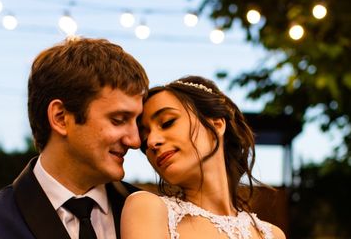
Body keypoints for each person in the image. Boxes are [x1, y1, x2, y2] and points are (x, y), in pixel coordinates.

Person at [0, 37, 149, 239]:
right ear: (60, 117)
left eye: (137, 122)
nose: (135, 141)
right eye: (118, 120)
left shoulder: (152, 213)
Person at [121, 76, 286, 239]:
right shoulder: (148, 210)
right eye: (144, 138)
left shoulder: (271, 234)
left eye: (167, 122)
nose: (151, 142)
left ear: (217, 125)